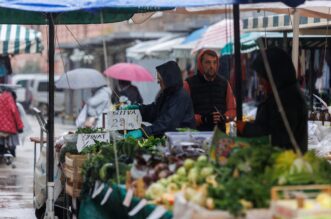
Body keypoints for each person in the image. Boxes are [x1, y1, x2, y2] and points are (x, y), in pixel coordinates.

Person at [236, 47, 308, 153]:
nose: (260, 83)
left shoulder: (286, 100)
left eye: (262, 78)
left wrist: (247, 128)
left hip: (285, 162)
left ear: (274, 76)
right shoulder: (284, 93)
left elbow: (277, 138)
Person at [125, 60, 195, 139]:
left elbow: (167, 123)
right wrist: (138, 110)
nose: (159, 84)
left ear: (168, 80)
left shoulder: (180, 97)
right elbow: (154, 111)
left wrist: (143, 132)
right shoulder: (166, 94)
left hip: (182, 140)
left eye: (160, 81)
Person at [184, 49, 236, 132]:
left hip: (220, 134)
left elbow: (232, 109)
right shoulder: (189, 84)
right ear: (201, 64)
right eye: (208, 62)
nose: (212, 66)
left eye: (214, 62)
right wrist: (202, 119)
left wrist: (224, 117)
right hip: (197, 134)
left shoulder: (224, 83)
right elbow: (184, 114)